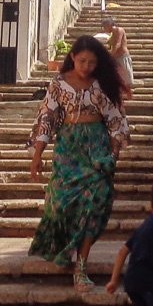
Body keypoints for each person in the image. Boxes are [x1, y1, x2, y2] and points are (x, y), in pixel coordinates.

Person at [29, 36, 130, 290]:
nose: (86, 66)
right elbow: (47, 118)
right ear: (72, 57)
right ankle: (65, 248)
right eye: (82, 60)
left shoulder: (101, 85)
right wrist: (37, 154)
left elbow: (116, 120)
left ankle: (81, 267)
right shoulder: (58, 84)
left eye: (92, 62)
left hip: (96, 150)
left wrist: (114, 154)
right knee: (60, 204)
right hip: (68, 149)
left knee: (94, 202)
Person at [100, 14, 135, 102]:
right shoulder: (112, 34)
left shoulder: (119, 30)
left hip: (122, 56)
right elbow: (111, 44)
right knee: (116, 76)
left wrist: (110, 55)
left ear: (110, 25)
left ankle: (129, 95)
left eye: (105, 27)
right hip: (115, 57)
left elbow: (118, 44)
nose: (104, 29)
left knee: (126, 77)